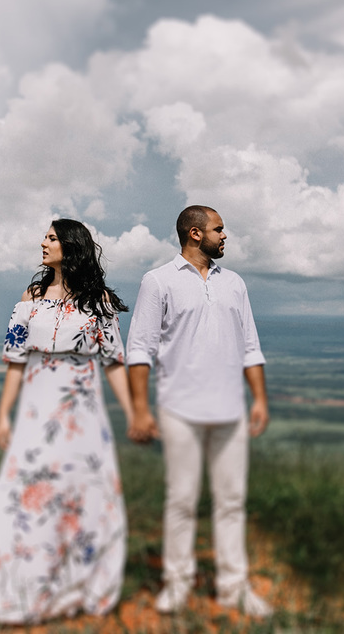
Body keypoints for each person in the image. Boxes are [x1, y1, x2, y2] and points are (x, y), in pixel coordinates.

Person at [0, 219, 134, 624]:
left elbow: (115, 363)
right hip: (36, 407)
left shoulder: (97, 300)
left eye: (51, 237)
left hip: (82, 411)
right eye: (45, 237)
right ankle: (23, 582)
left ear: (70, 245)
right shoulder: (31, 296)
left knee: (83, 491)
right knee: (28, 491)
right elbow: (15, 360)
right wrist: (3, 414)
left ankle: (80, 581)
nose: (43, 243)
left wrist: (134, 413)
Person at [126, 205, 272, 617]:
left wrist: (258, 399)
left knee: (231, 502)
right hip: (180, 409)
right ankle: (176, 585)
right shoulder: (157, 281)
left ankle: (234, 588)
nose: (225, 236)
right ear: (195, 234)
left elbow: (250, 346)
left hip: (230, 409)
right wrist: (140, 409)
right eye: (218, 229)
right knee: (182, 500)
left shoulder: (235, 284)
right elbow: (139, 348)